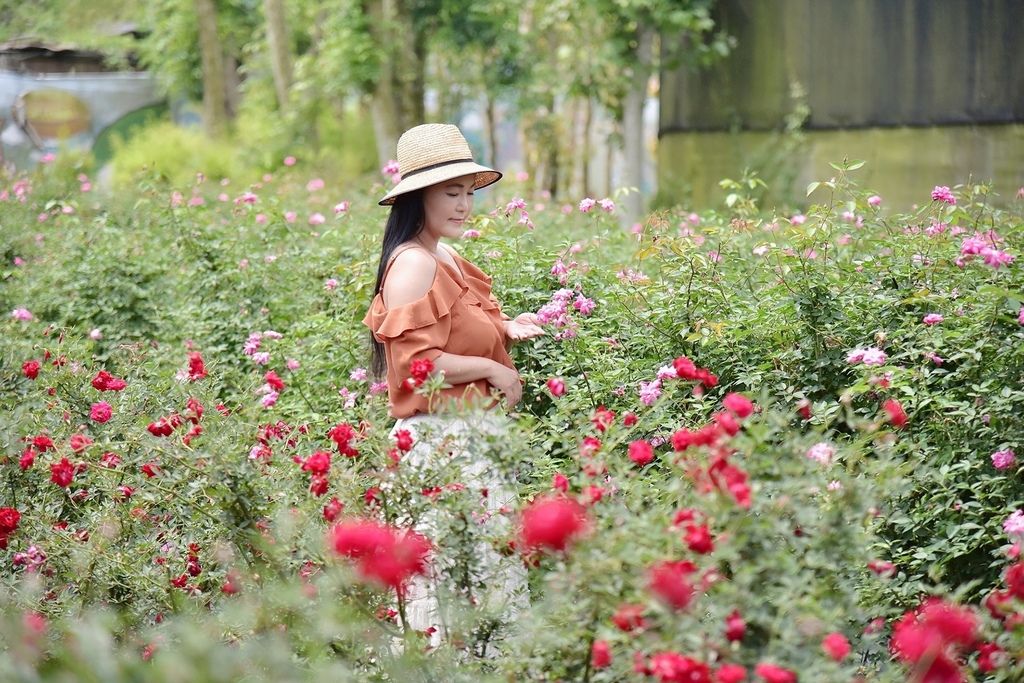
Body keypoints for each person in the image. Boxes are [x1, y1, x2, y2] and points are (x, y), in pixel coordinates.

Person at [363, 123, 543, 651]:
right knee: (446, 597)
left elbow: (463, 322)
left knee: (485, 586)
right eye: (451, 192)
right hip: (441, 447)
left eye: (468, 191)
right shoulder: (414, 264)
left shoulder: (443, 255)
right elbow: (415, 364)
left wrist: (506, 329)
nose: (465, 204)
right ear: (417, 197)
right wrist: (493, 369)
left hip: (470, 444)